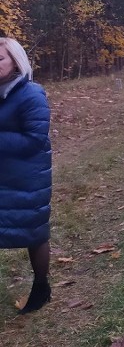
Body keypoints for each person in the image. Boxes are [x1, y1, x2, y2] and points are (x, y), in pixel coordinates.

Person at [0, 38, 52, 314]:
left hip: (26, 178)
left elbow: (34, 140)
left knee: (33, 232)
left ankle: (41, 286)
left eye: (0, 59)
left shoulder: (31, 94)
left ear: (15, 61)